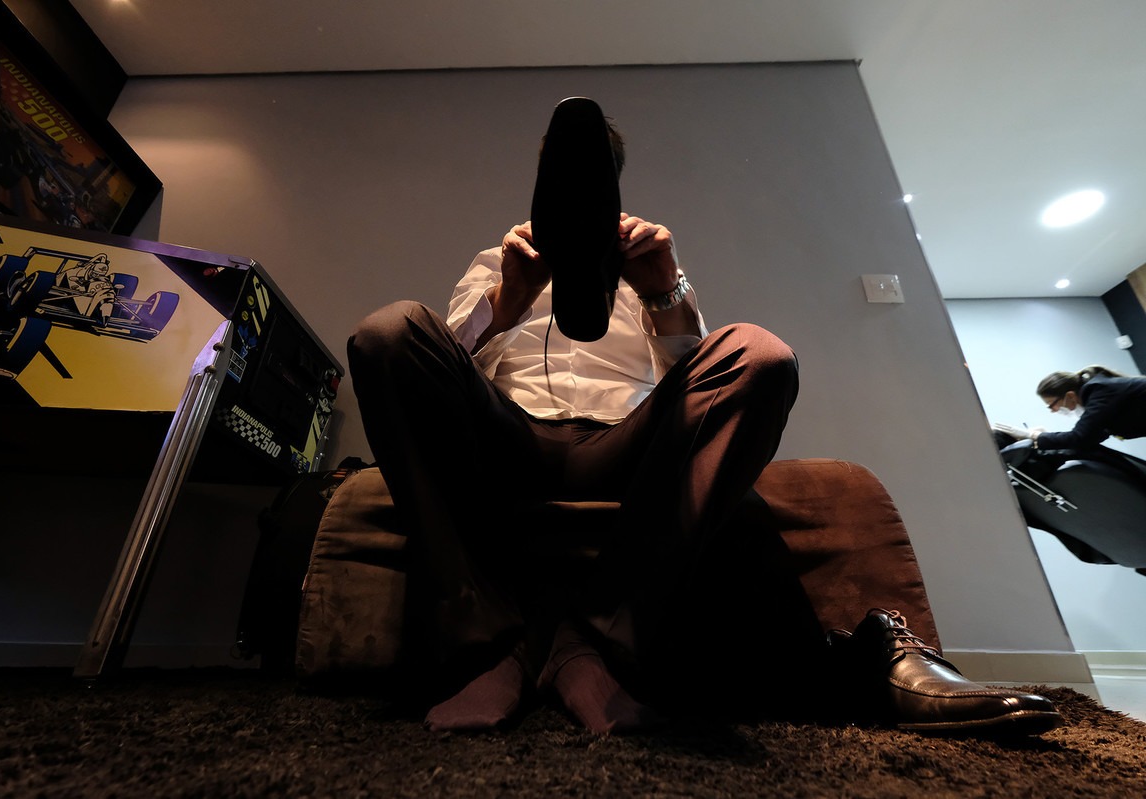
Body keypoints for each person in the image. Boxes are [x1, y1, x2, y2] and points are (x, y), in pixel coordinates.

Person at [347, 104, 1060, 736]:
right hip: (512, 434)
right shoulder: (498, 258)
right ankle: (492, 647)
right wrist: (508, 298)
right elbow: (444, 368)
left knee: (761, 354)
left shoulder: (647, 259)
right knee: (387, 332)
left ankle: (592, 644)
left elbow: (697, 381)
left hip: (623, 442)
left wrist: (665, 290)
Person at [997, 366, 1146, 451]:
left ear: (1070, 395)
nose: (1053, 410)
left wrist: (1033, 435)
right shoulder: (1098, 392)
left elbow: (1079, 437)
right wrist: (1045, 437)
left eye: (1052, 404)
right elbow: (1092, 437)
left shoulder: (1099, 391)